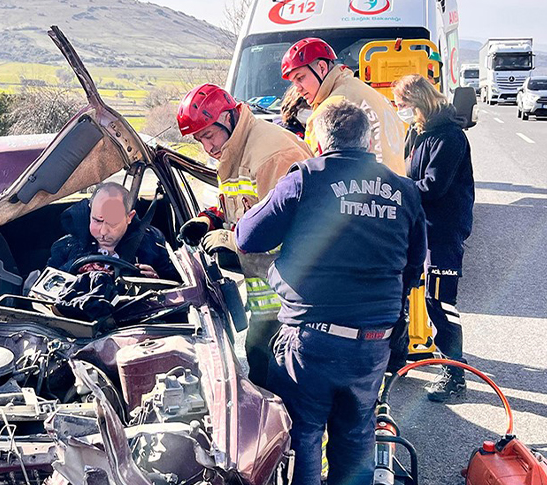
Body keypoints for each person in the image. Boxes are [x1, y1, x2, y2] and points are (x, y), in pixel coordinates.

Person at [235, 98, 427, 485]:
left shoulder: (308, 177)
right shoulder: (404, 190)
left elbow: (247, 236)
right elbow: (415, 266)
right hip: (374, 340)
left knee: (303, 432)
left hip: (312, 337)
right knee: (356, 429)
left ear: (319, 140)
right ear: (367, 141)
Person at [175, 83, 312, 388]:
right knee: (261, 365)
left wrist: (232, 241)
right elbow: (240, 205)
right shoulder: (237, 149)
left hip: (295, 296)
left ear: (228, 117)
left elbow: (293, 228)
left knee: (281, 380)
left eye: (208, 135)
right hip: (270, 296)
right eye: (200, 140)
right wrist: (208, 220)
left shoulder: (270, 155)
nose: (207, 148)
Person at [391, 74, 475, 402]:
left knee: (440, 303)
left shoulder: (449, 137)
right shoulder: (420, 132)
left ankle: (454, 375)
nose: (401, 111)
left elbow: (433, 186)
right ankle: (398, 359)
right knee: (410, 294)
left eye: (403, 105)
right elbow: (411, 174)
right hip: (421, 228)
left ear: (419, 102)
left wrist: (397, 190)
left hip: (443, 231)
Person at [281, 37, 408, 174]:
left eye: (300, 78)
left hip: (363, 192)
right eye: (294, 82)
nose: (297, 88)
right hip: (394, 188)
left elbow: (314, 172)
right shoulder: (364, 91)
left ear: (322, 67)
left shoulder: (329, 111)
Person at [47, 182, 177, 280]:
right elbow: (46, 282)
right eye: (97, 220)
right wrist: (74, 269)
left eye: (112, 223)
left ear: (129, 217)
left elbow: (176, 287)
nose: (103, 231)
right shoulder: (68, 245)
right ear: (90, 211)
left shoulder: (153, 244)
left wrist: (156, 281)